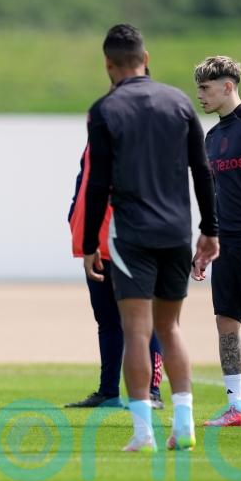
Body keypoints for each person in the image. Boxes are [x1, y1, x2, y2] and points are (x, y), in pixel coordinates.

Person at [83, 24, 219, 452]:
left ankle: (143, 434)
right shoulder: (179, 102)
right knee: (171, 327)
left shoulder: (104, 109)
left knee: (137, 331)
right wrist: (210, 230)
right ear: (147, 58)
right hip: (178, 233)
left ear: (108, 64)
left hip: (133, 236)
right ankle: (184, 424)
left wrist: (90, 243)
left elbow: (97, 183)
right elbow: (203, 171)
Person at [67, 136, 164, 410]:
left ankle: (152, 392)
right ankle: (108, 391)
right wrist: (74, 213)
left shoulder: (137, 143)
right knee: (107, 321)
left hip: (127, 244)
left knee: (142, 320)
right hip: (94, 244)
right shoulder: (93, 142)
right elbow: (83, 182)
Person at [194, 55, 241, 427]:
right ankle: (237, 408)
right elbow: (214, 195)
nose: (199, 95)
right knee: (225, 322)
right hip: (227, 243)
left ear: (227, 86)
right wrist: (207, 241)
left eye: (205, 88)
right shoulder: (212, 136)